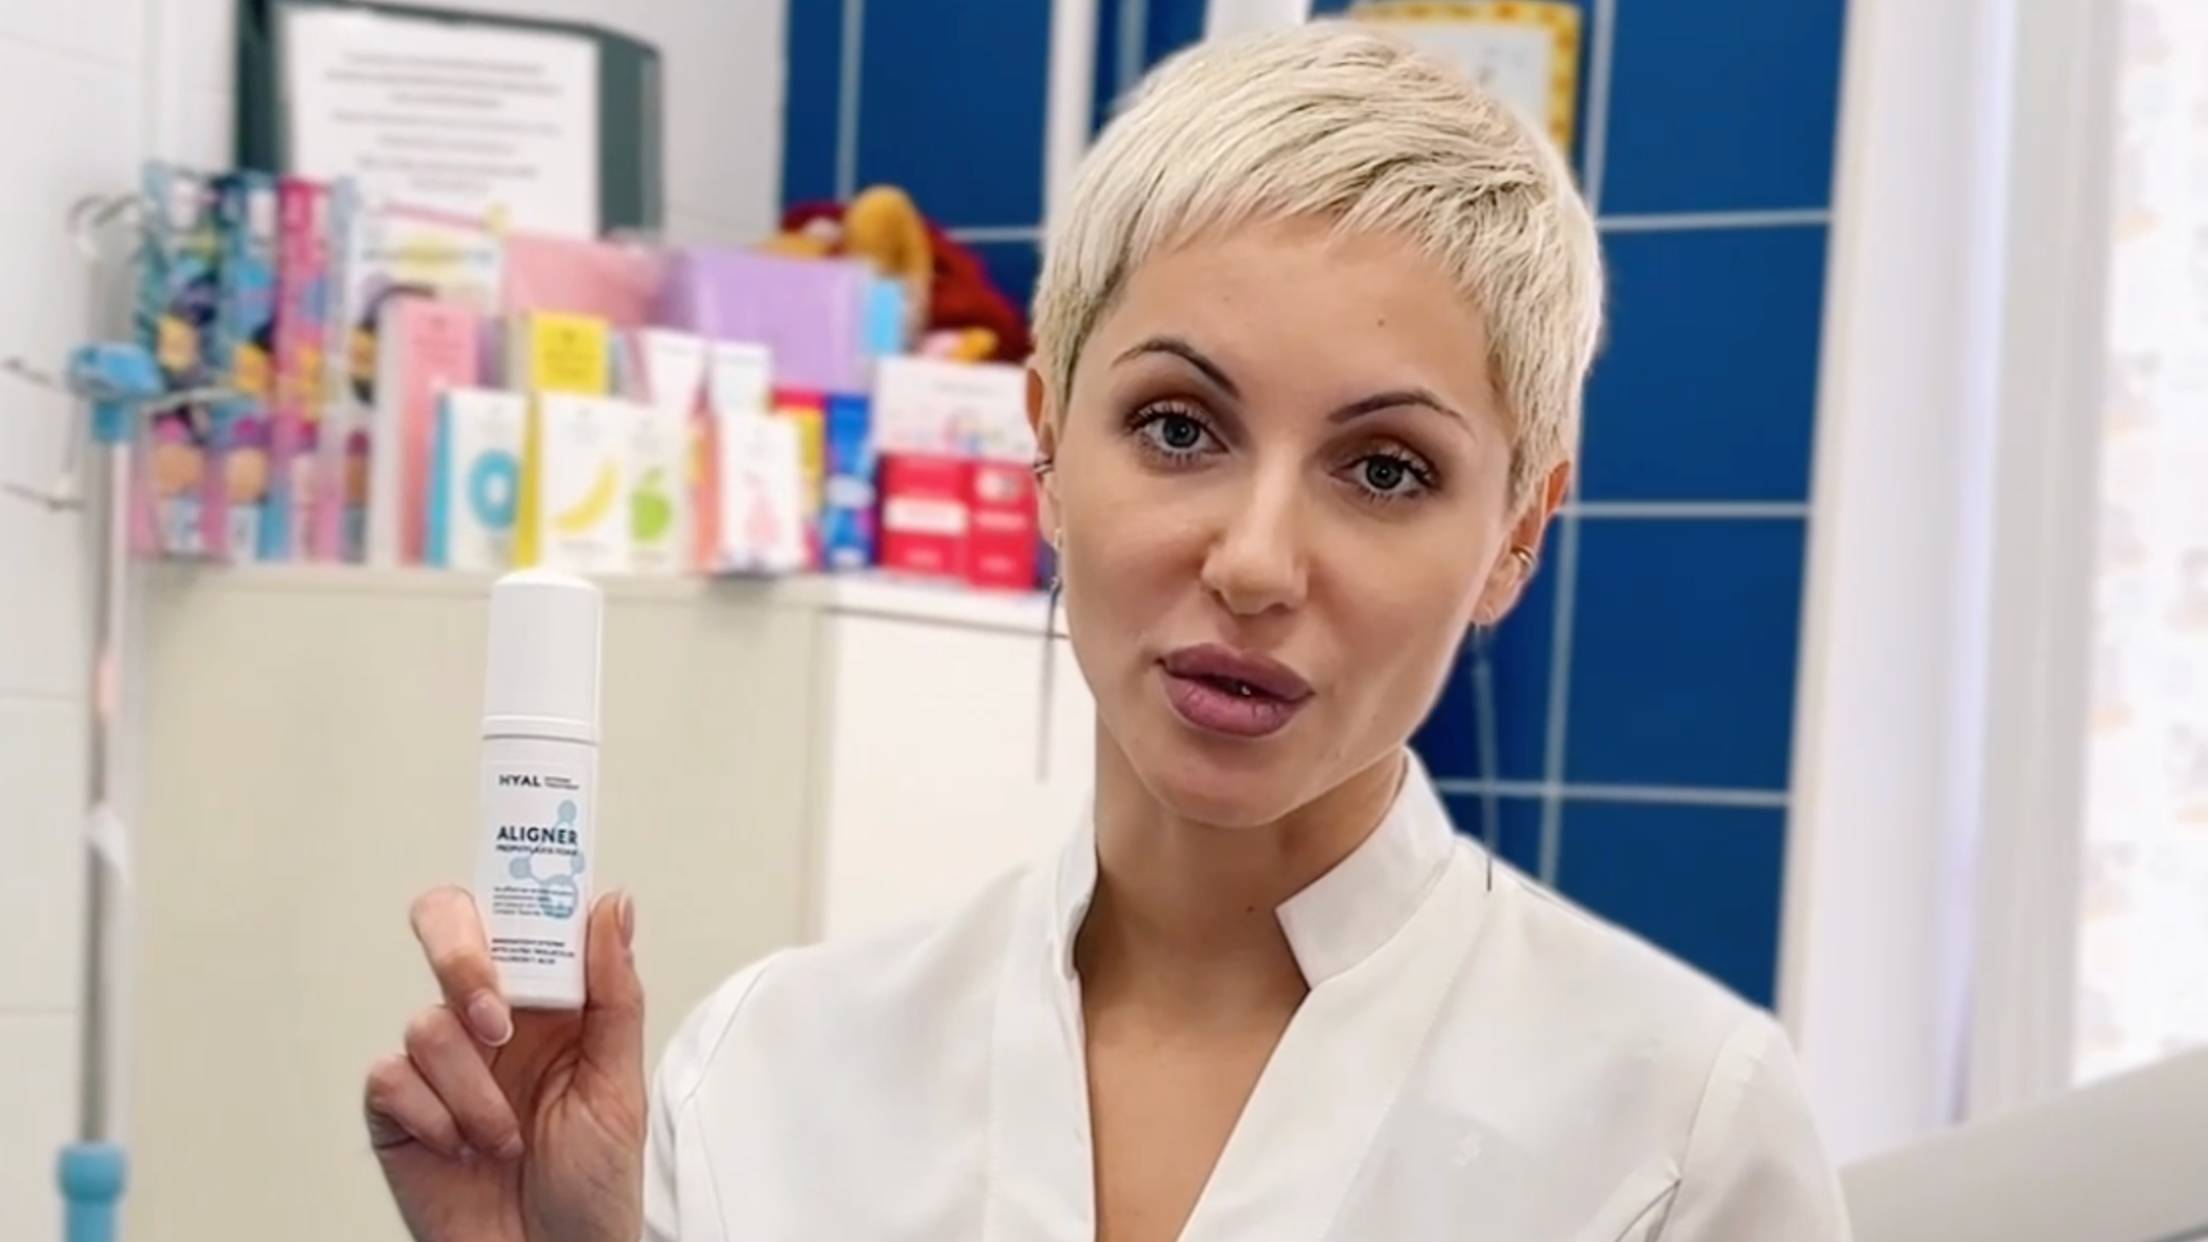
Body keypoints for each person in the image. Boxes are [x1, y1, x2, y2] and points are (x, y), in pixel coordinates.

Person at [363, 23, 1853, 1242]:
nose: (1255, 562)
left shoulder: (1676, 1134)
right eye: (1179, 426)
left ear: (1518, 531)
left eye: (1387, 469)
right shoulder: (765, 1072)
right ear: (1046, 447)